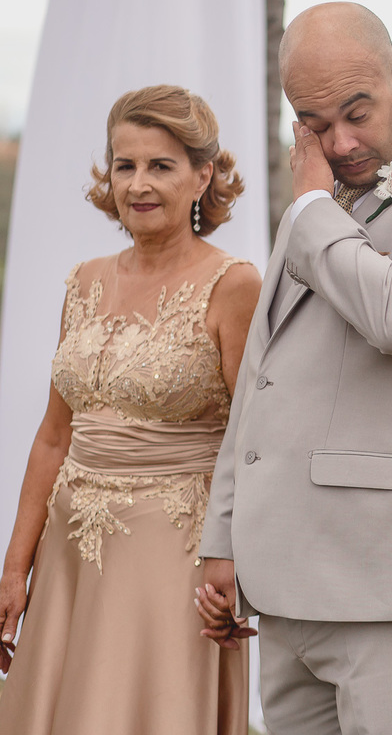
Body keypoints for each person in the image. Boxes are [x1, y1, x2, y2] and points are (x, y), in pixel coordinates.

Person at [194, 2, 392, 735]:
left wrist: (310, 206)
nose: (339, 142)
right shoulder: (318, 209)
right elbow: (262, 378)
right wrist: (224, 540)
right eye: (314, 123)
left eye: (356, 112)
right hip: (288, 589)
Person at [0, 85, 260, 733]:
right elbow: (54, 438)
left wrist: (235, 560)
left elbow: (255, 439)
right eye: (125, 164)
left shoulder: (234, 285)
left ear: (204, 176)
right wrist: (14, 568)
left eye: (161, 166)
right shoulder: (84, 279)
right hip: (67, 556)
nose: (138, 184)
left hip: (173, 559)